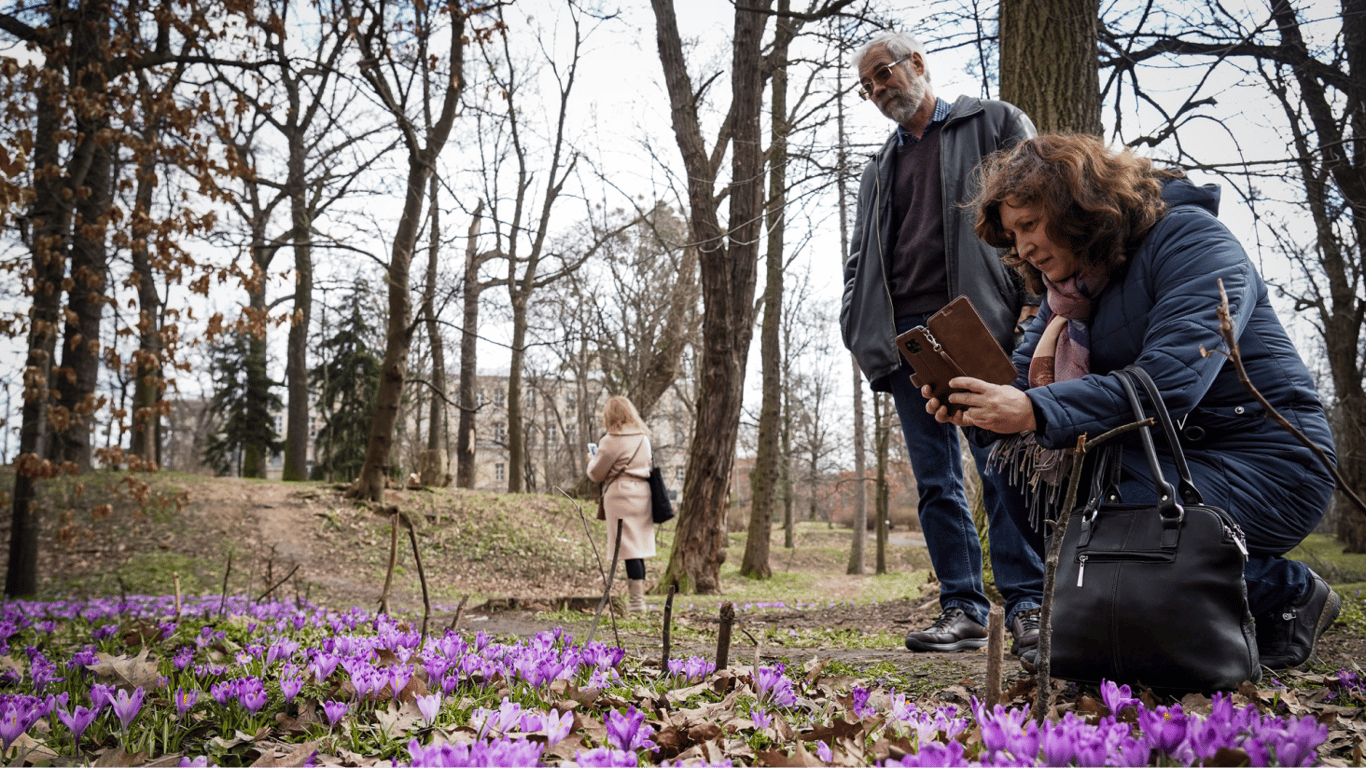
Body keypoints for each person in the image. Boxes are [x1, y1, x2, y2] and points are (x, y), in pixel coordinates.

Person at [927, 134, 1340, 670]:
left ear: (1074, 204)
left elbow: (1174, 377)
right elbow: (1026, 398)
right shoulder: (1068, 300)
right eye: (1012, 235)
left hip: (1271, 462)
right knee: (1021, 469)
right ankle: (1149, 606)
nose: (1022, 247)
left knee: (1107, 521)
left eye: (1029, 224)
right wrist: (977, 407)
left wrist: (1034, 411)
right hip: (1165, 463)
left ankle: (1286, 590)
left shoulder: (1194, 241)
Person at [840, 30, 1046, 657]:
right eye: (868, 85)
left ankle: (1030, 605)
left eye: (884, 74)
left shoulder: (995, 122)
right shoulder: (880, 167)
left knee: (1003, 464)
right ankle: (962, 608)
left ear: (917, 64)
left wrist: (1034, 306)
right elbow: (860, 261)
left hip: (978, 325)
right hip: (909, 338)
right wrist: (861, 324)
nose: (879, 90)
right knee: (935, 478)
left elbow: (1041, 210)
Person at [587, 395, 656, 614]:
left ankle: (636, 603)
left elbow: (597, 474)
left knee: (628, 549)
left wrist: (591, 460)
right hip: (643, 494)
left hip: (621, 496)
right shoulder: (643, 438)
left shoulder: (610, 440)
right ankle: (638, 599)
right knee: (638, 549)